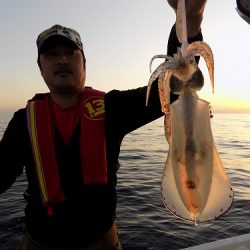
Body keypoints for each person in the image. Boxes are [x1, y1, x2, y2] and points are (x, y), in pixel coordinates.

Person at [0, 0, 207, 249]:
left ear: (84, 64)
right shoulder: (23, 122)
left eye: (70, 53)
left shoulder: (112, 108)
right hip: (38, 241)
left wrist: (190, 18)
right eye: (52, 54)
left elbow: (171, 88)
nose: (62, 60)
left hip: (101, 242)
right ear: (40, 68)